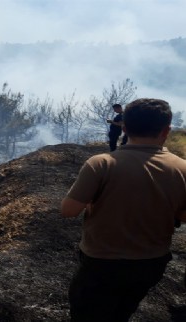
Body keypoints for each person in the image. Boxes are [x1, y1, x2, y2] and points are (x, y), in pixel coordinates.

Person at [60, 98, 186, 322]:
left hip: (101, 263)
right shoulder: (183, 168)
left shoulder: (101, 163)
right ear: (166, 130)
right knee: (122, 313)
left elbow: (69, 210)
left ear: (125, 128)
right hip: (151, 264)